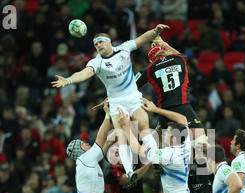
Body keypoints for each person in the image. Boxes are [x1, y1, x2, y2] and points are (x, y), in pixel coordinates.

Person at [51, 24, 169, 184]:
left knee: (144, 129)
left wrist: (155, 31)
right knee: (122, 138)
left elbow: (142, 39)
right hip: (116, 104)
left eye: (100, 42)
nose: (98, 46)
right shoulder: (97, 62)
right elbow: (84, 73)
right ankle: (129, 172)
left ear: (109, 42)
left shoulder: (124, 48)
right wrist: (69, 80)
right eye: (95, 44)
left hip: (133, 98)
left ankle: (156, 161)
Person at [135, 35, 206, 146]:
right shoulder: (180, 59)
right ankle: (205, 163)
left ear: (151, 60)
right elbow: (182, 56)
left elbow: (132, 85)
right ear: (165, 52)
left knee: (169, 148)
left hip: (164, 111)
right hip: (183, 106)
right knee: (202, 142)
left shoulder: (149, 69)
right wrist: (163, 43)